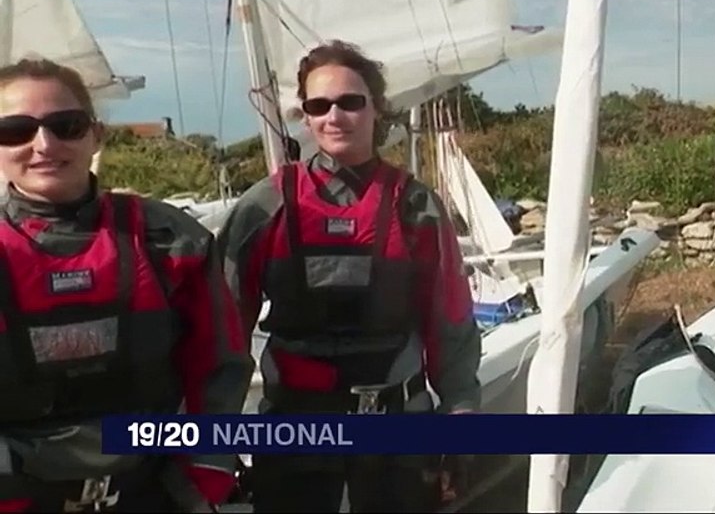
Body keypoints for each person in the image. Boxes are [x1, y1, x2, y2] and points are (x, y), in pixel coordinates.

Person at [217, 39, 481, 513]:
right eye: (319, 105)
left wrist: (459, 419)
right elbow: (220, 334)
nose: (334, 116)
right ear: (305, 117)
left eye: (350, 102)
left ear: (376, 108)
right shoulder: (264, 206)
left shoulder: (416, 207)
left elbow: (451, 323)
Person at [0, 58, 252, 512]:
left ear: (96, 134)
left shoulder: (172, 240)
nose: (43, 144)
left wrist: (204, 477)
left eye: (66, 125)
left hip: (154, 493)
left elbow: (220, 369)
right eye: (16, 129)